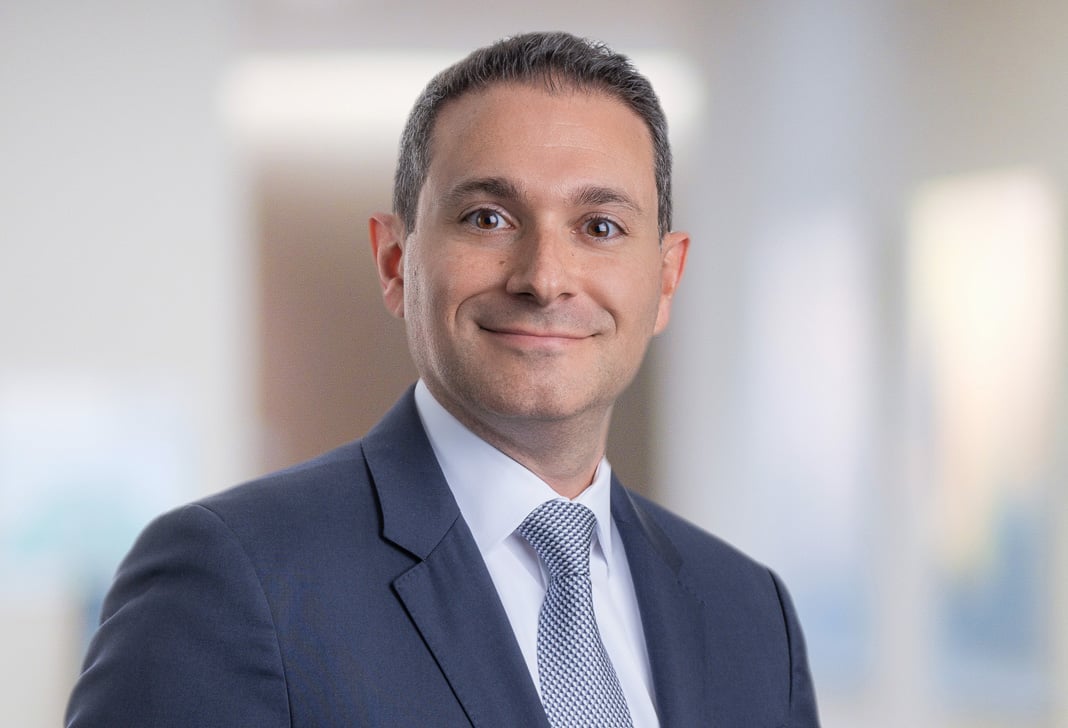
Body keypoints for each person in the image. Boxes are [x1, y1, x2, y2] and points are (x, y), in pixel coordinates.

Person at [66, 31, 820, 727]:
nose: (544, 278)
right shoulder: (232, 581)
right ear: (395, 262)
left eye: (600, 227)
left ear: (666, 277)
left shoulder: (752, 616)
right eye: (488, 218)